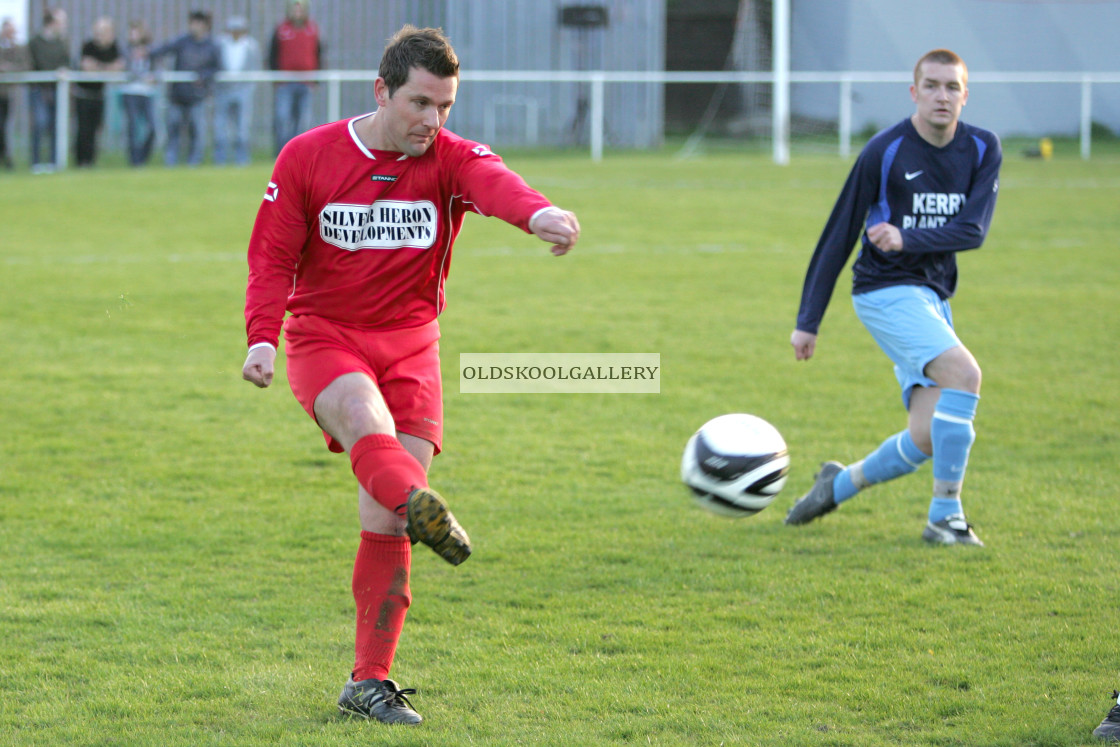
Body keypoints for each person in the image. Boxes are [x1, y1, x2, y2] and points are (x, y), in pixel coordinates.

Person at [241, 25, 580, 725]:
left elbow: (495, 181)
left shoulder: (449, 158)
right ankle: (434, 515)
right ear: (381, 91)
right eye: (421, 103)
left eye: (445, 107)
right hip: (324, 340)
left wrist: (539, 212)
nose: (433, 121)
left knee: (387, 513)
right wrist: (261, 339)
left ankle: (369, 680)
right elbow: (272, 256)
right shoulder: (309, 157)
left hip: (413, 349)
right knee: (369, 427)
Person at [785, 48, 1002, 546]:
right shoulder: (883, 151)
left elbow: (973, 230)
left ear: (965, 95)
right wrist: (808, 320)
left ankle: (836, 485)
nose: (941, 96)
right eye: (931, 86)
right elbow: (838, 234)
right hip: (883, 291)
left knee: (927, 437)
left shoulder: (982, 149)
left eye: (952, 87)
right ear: (914, 92)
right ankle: (944, 518)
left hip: (931, 297)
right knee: (965, 375)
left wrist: (908, 239)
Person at [149, 10, 221, 166]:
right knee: (173, 130)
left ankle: (193, 163)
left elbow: (217, 68)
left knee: (197, 132)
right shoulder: (182, 41)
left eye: (197, 23)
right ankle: (171, 162)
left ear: (205, 25)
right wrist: (148, 54)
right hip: (177, 95)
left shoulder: (212, 46)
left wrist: (203, 76)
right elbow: (162, 50)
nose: (194, 26)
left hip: (197, 96)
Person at [269, 0, 320, 154]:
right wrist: (276, 78)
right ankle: (281, 153)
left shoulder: (313, 29)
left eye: (300, 9)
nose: (297, 13)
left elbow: (319, 53)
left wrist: (316, 79)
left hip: (306, 82)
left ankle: (299, 154)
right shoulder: (281, 29)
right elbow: (272, 54)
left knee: (303, 121)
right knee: (283, 119)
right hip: (285, 82)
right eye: (294, 9)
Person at [74, 17, 124, 167]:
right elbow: (87, 67)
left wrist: (100, 67)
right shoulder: (88, 46)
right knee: (84, 130)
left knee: (96, 130)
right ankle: (80, 161)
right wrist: (106, 68)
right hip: (84, 95)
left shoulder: (114, 47)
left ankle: (91, 161)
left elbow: (118, 67)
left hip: (99, 95)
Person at [214, 15, 260, 166]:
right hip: (224, 89)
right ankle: (220, 159)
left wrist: (249, 88)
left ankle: (242, 159)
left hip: (243, 89)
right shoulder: (221, 44)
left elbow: (255, 68)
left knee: (242, 127)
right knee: (221, 126)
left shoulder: (251, 46)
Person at [27, 8, 68, 173]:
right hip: (39, 90)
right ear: (52, 23)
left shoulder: (62, 43)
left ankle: (54, 161)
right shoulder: (35, 42)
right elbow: (32, 63)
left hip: (57, 90)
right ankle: (36, 162)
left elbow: (66, 62)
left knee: (55, 125)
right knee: (39, 123)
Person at [120, 20, 157, 167]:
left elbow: (157, 70)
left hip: (147, 93)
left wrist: (154, 77)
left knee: (152, 128)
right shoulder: (125, 50)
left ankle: (143, 158)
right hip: (130, 92)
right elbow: (125, 70)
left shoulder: (151, 50)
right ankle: (135, 161)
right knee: (133, 128)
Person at [0, 17, 31, 170]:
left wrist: (9, 68)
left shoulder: (19, 49)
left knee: (6, 127)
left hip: (10, 94)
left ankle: (7, 158)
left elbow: (26, 65)